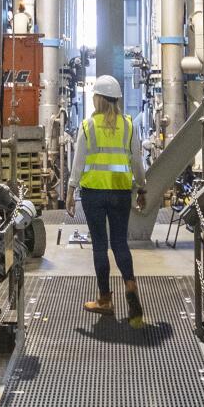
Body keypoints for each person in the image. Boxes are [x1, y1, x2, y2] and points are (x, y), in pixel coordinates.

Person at [73, 75, 146, 322]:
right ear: (116, 99)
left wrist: (70, 191)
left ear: (97, 99)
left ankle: (105, 299)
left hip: (93, 193)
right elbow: (137, 161)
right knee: (119, 243)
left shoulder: (88, 126)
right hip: (121, 193)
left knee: (99, 246)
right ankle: (131, 286)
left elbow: (78, 162)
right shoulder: (128, 125)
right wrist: (142, 188)